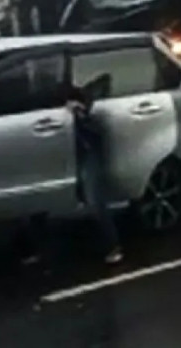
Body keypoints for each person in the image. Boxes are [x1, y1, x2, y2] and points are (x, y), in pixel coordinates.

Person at [66, 77, 123, 264]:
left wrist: (81, 114)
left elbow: (97, 130)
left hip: (86, 150)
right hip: (73, 150)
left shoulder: (89, 108)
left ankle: (112, 244)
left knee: (94, 197)